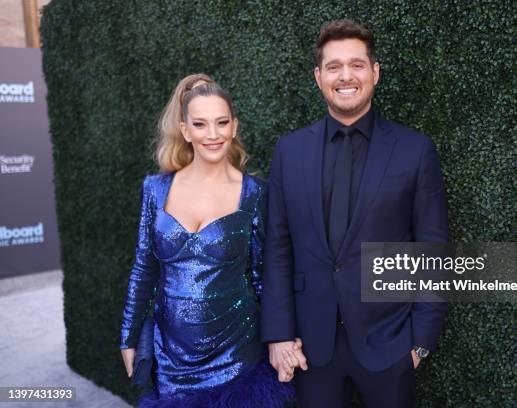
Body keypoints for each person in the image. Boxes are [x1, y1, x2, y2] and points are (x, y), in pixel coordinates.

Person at [261, 19, 450, 407]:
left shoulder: (415, 151)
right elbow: (278, 246)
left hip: (390, 343)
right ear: (318, 77)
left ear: (374, 72)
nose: (345, 76)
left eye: (357, 65)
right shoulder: (289, 151)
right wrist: (278, 334)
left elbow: (433, 250)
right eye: (334, 66)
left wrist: (420, 342)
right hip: (310, 348)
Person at [119, 74, 297, 407]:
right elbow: (144, 268)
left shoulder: (254, 193)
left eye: (221, 122)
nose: (212, 134)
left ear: (234, 126)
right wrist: (128, 336)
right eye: (200, 124)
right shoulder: (155, 190)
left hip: (237, 353)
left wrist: (282, 337)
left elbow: (265, 276)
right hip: (171, 358)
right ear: (185, 131)